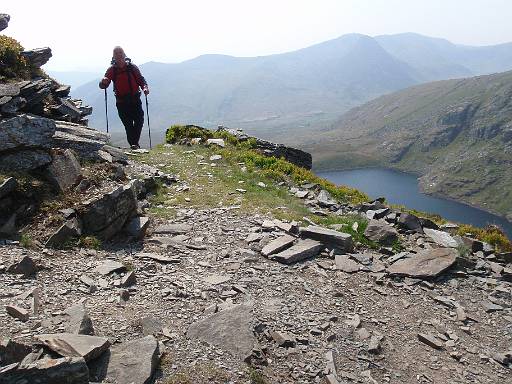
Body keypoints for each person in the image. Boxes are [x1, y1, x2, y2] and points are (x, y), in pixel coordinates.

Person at [99, 46, 149, 149]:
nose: (119, 54)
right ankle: (134, 145)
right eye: (116, 53)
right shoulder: (112, 70)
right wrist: (102, 82)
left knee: (139, 120)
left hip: (135, 100)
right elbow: (104, 84)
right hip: (122, 102)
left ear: (124, 54)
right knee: (128, 125)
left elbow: (141, 80)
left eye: (120, 52)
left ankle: (134, 144)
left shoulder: (132, 67)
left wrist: (145, 88)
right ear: (113, 56)